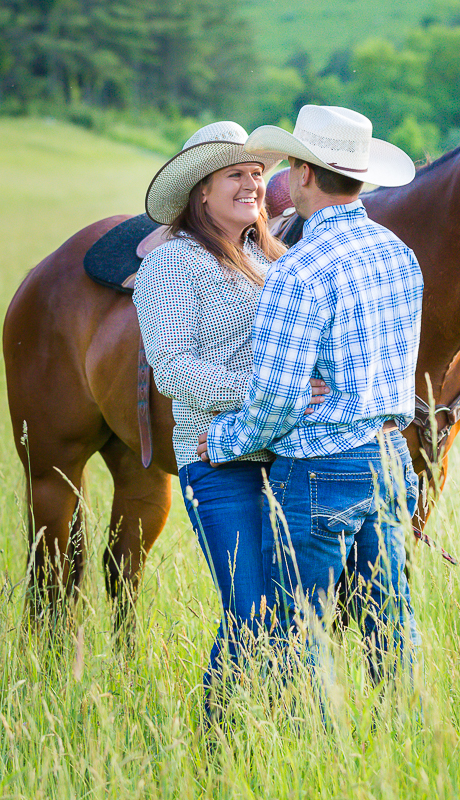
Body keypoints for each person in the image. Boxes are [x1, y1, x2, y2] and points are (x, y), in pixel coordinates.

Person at [198, 105, 424, 687]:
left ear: (299, 172)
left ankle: (314, 758)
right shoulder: (398, 255)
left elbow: (275, 401)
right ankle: (406, 744)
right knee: (391, 622)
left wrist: (221, 440)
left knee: (296, 631)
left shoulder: (299, 272)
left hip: (321, 469)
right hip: (390, 458)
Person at [132, 121, 327, 705]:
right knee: (248, 613)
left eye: (257, 174)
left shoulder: (278, 259)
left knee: (291, 614)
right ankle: (215, 739)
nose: (251, 184)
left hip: (291, 459)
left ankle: (279, 734)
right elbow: (172, 366)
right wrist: (273, 391)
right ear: (203, 194)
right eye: (235, 175)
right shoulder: (175, 264)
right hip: (220, 462)